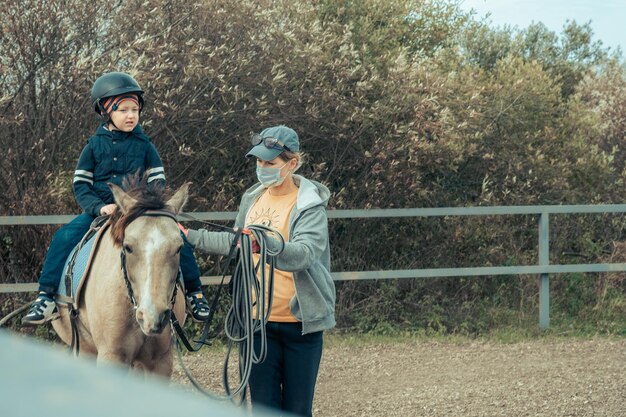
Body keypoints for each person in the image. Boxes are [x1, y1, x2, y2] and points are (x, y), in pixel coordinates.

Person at [22, 72, 210, 325]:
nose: (131, 115)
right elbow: (80, 185)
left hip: (138, 212)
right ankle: (45, 297)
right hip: (101, 210)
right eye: (123, 110)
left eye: (135, 109)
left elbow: (157, 182)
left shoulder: (145, 145)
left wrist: (146, 205)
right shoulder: (92, 146)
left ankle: (195, 294)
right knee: (64, 236)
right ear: (106, 111)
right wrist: (98, 207)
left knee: (176, 238)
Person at [182, 125, 335, 416]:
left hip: (299, 324)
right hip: (256, 324)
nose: (262, 168)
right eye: (259, 162)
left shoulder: (310, 206)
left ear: (292, 164)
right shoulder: (252, 198)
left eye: (270, 163)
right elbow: (237, 242)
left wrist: (262, 244)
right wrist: (189, 234)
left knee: (298, 410)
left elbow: (304, 253)